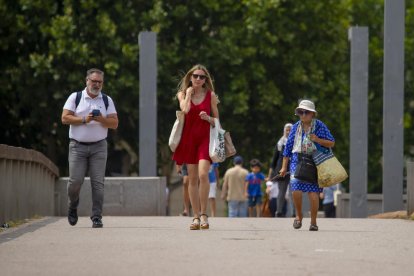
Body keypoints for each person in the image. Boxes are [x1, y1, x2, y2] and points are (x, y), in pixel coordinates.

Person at [61, 68, 119, 228]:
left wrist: (101, 119)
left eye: (100, 82)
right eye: (94, 81)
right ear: (87, 81)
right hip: (77, 146)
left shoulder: (106, 100)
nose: (97, 84)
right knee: (75, 181)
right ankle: (73, 205)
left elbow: (114, 123)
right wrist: (84, 119)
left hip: (99, 146)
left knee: (98, 183)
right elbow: (64, 118)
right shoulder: (76, 97)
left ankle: (97, 217)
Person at [172, 64, 219, 230]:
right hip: (188, 140)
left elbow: (217, 121)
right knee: (192, 179)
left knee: (203, 174)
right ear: (190, 78)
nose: (199, 79)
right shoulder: (182, 94)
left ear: (206, 80)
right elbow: (184, 110)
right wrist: (188, 94)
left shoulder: (210, 95)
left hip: (205, 139)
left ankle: (205, 214)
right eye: (195, 76)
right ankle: (196, 216)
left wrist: (208, 118)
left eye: (202, 77)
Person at [279, 99, 335, 231]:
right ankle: (299, 216)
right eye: (300, 112)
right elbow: (287, 148)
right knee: (296, 189)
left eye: (306, 112)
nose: (303, 115)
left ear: (312, 114)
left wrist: (318, 140)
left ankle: (314, 222)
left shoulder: (319, 126)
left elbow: (331, 143)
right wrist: (283, 167)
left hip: (314, 161)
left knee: (313, 192)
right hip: (297, 160)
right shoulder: (295, 127)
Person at [267, 123, 292, 217]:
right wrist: (270, 175)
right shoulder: (280, 143)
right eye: (287, 130)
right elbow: (274, 159)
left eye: (290, 130)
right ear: (284, 130)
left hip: (293, 169)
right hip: (282, 170)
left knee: (293, 191)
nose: (288, 132)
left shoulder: (297, 142)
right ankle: (279, 211)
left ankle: (294, 212)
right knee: (281, 191)